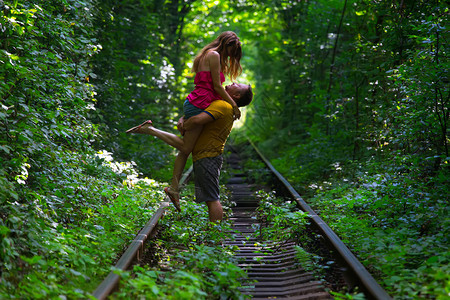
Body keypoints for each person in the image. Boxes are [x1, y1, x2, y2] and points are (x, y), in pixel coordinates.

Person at [128, 31, 243, 207]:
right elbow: (217, 87)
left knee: (184, 150)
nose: (230, 56)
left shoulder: (211, 55)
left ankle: (174, 188)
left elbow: (213, 89)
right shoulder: (213, 55)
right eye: (232, 51)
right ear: (226, 44)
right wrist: (234, 106)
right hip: (199, 103)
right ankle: (149, 129)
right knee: (185, 146)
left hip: (199, 103)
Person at [127, 82, 253, 222]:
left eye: (237, 84)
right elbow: (197, 114)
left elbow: (198, 120)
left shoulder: (223, 106)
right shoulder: (221, 104)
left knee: (212, 199)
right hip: (206, 156)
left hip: (208, 157)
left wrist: (183, 124)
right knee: (210, 198)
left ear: (236, 95)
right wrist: (183, 120)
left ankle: (215, 235)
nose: (233, 82)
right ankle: (150, 130)